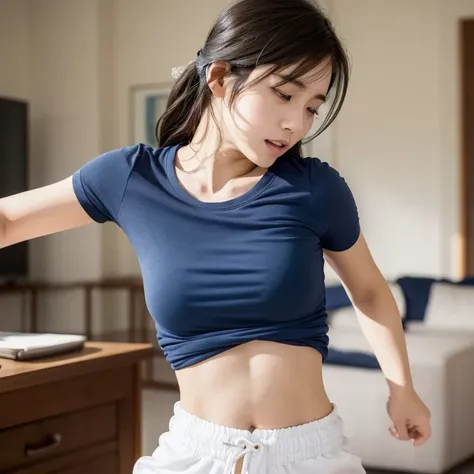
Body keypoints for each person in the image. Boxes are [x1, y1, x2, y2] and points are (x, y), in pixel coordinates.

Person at [0, 0, 431, 472]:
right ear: (220, 79)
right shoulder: (130, 179)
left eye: (312, 106)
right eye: (284, 95)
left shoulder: (313, 188)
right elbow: (9, 220)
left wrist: (401, 388)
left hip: (307, 456)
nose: (297, 123)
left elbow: (368, 291)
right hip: (193, 454)